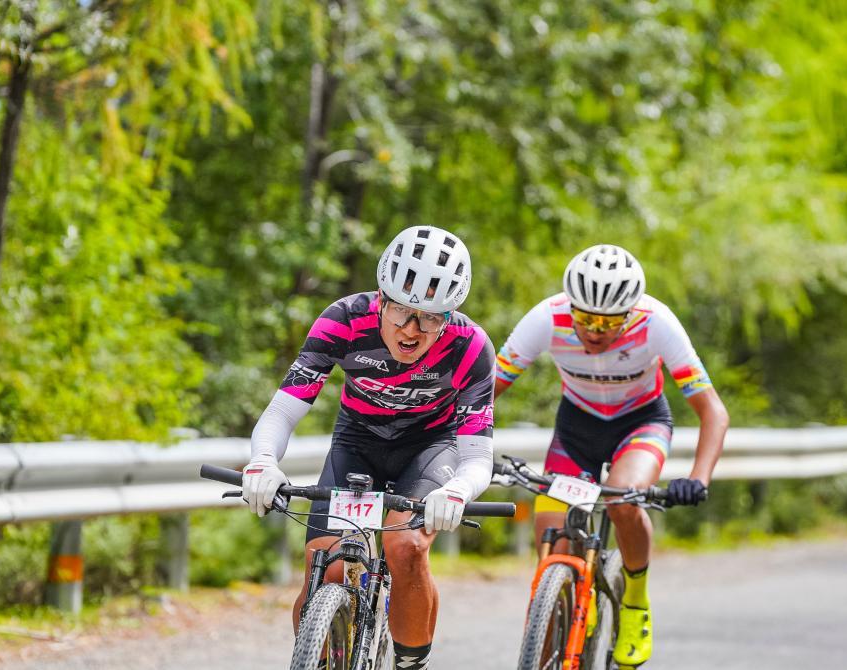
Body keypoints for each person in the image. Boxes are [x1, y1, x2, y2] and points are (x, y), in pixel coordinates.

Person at [241, 226, 495, 670]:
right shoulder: (343, 320)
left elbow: (477, 456)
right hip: (357, 441)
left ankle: (409, 663)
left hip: (429, 448)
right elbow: (282, 409)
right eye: (400, 311)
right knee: (325, 562)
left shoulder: (471, 347)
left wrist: (457, 491)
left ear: (449, 315)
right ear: (381, 297)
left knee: (406, 547)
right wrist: (263, 461)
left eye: (430, 318)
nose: (411, 330)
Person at [494, 244, 728, 667]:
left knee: (623, 497)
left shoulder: (656, 322)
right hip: (576, 430)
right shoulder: (547, 317)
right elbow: (485, 392)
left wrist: (699, 478)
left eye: (609, 322)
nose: (595, 331)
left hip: (641, 423)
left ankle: (635, 599)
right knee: (554, 542)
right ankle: (554, 623)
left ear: (631, 313)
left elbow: (713, 411)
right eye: (585, 319)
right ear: (570, 307)